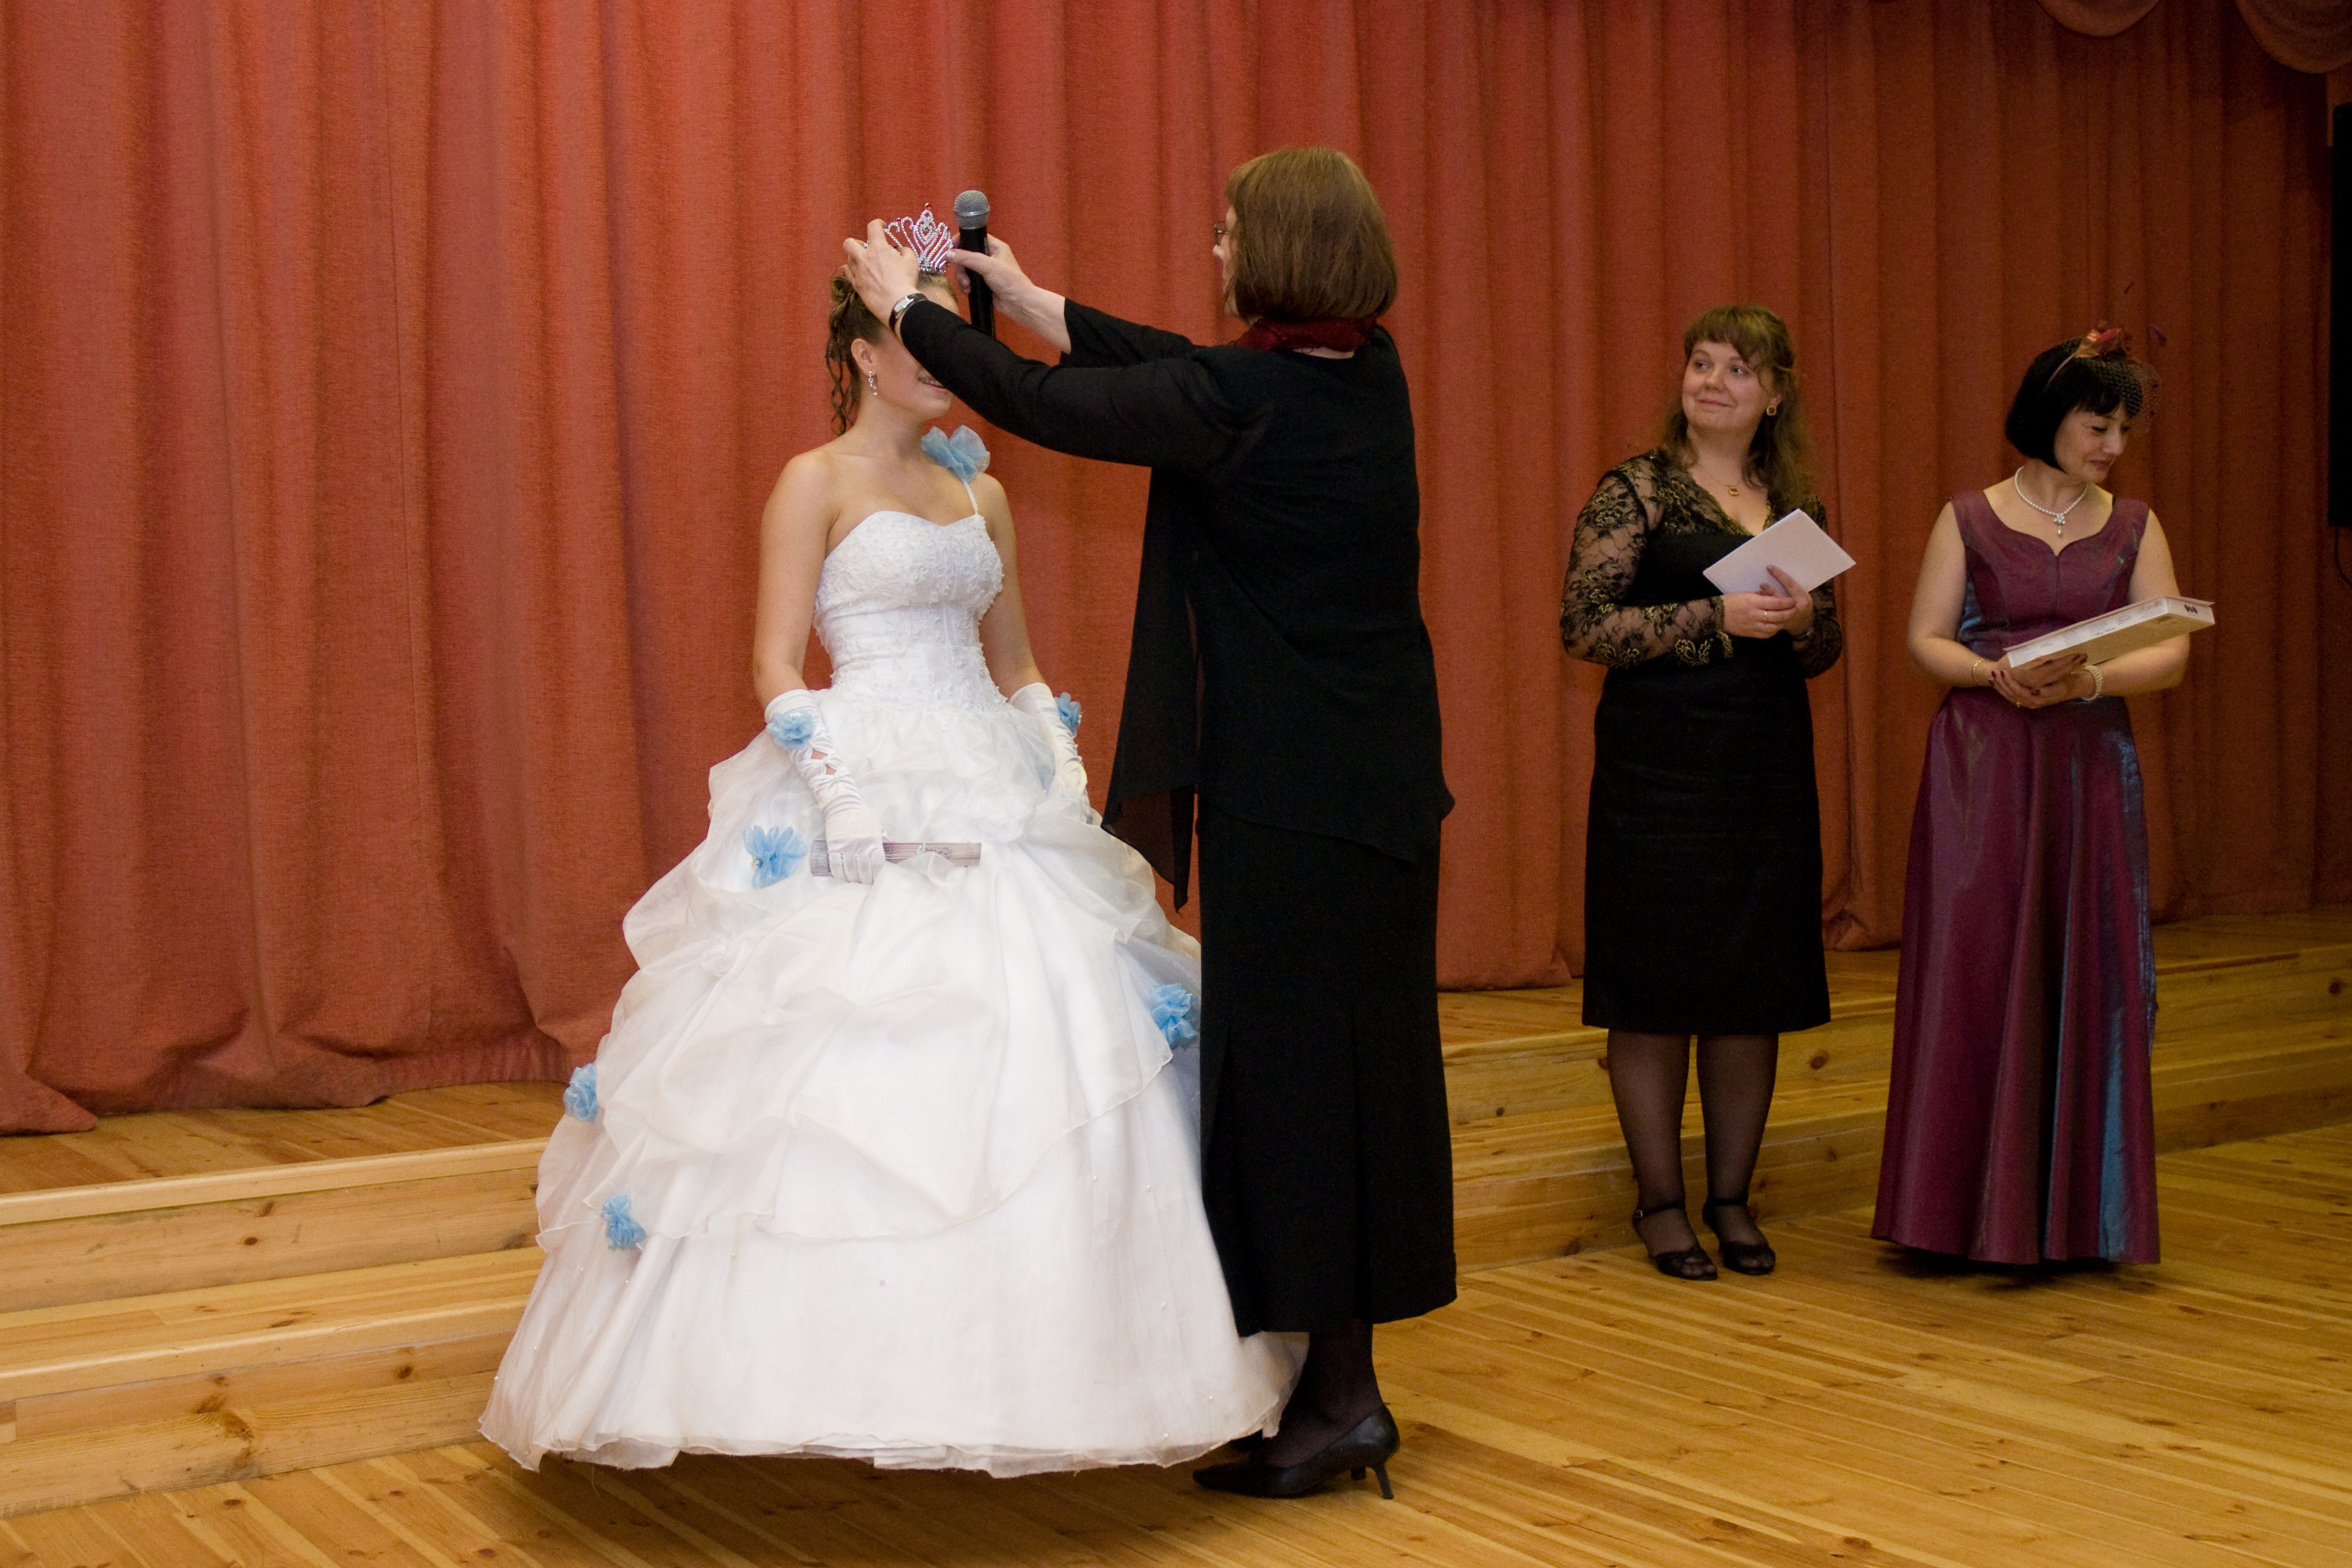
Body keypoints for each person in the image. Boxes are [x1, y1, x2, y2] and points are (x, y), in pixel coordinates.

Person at [478, 252, 1299, 1476]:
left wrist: (1058, 765)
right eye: (913, 337)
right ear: (862, 356)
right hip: (859, 767)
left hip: (988, 780)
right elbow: (774, 660)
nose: (943, 359)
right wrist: (835, 784)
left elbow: (1016, 661)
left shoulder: (982, 489)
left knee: (1061, 1031)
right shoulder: (812, 481)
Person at [839, 146, 1454, 1500]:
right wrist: (1031, 299)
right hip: (1372, 787)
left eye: (1229, 232)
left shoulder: (1248, 399)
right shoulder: (1360, 371)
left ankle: (1339, 1398)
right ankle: (1336, 1383)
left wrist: (910, 310)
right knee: (1348, 1080)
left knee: (1298, 1087)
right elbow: (1171, 366)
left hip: (1295, 798)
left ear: (1280, 249)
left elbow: (1049, 406)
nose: (1216, 250)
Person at [1874, 328, 2183, 1265]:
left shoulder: (2135, 525)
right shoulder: (1967, 516)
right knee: (1971, 965)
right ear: (2049, 418)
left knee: (2083, 963)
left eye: (2123, 430)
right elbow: (1923, 639)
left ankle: (2076, 1219)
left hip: (2088, 766)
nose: (2113, 446)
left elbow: (2170, 650)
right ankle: (1948, 1218)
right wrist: (1991, 674)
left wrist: (2088, 682)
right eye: (2097, 425)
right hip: (1983, 766)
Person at [1558, 305, 1844, 1281]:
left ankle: (1729, 1200)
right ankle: (1660, 1204)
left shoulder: (1795, 506)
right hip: (1656, 776)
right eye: (1700, 363)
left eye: (1736, 368)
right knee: (1651, 989)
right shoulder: (1634, 490)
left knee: (1746, 989)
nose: (1711, 381)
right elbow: (1583, 627)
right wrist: (1713, 616)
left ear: (1775, 395)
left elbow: (1823, 648)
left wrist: (1800, 622)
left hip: (1763, 775)